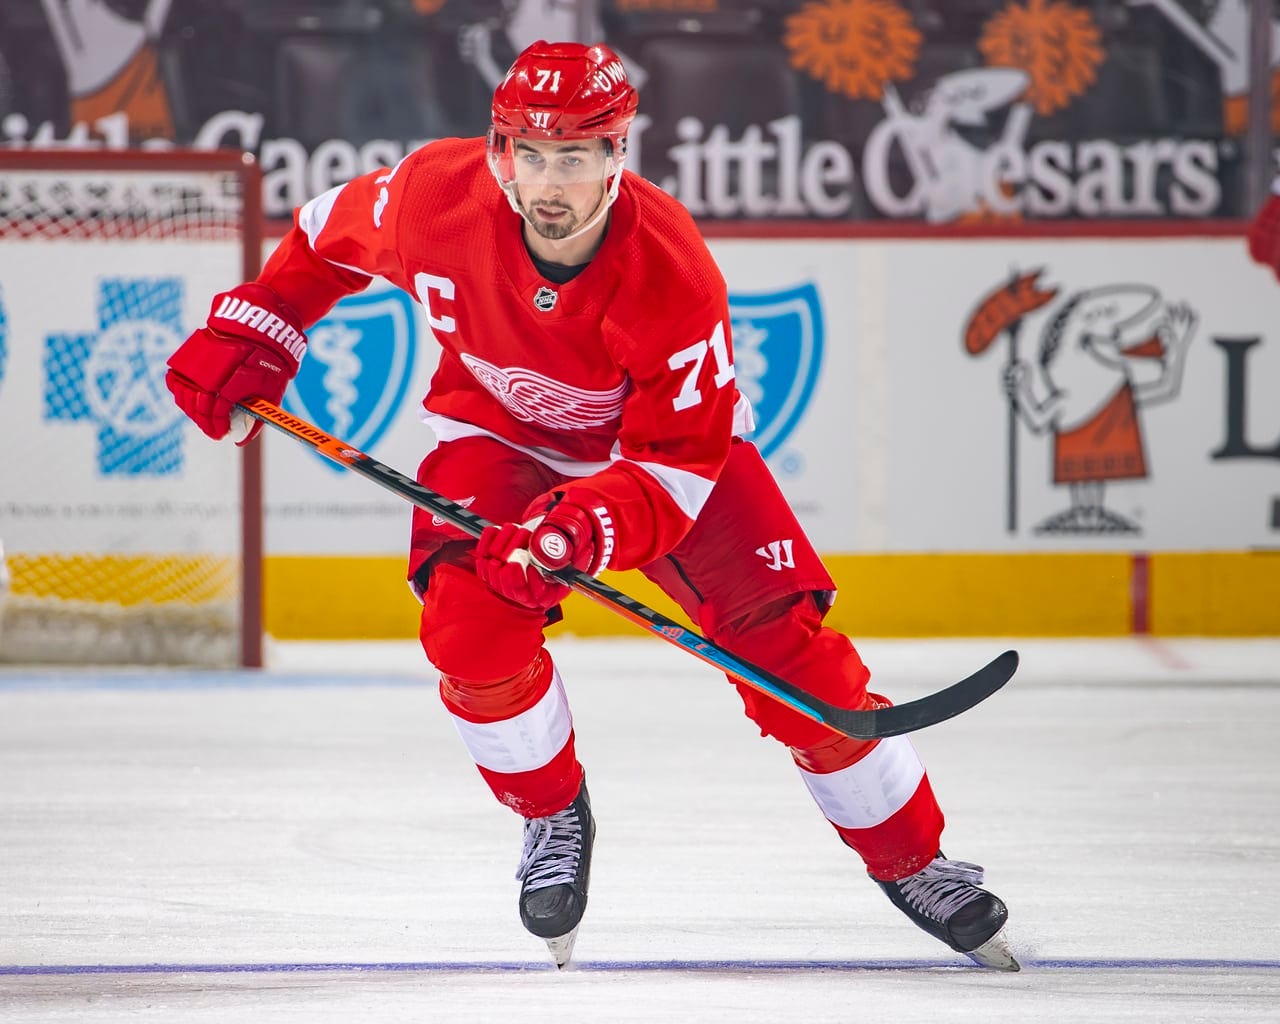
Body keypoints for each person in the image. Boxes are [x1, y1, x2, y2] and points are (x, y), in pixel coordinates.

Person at [165, 40, 1018, 971]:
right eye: (526, 153)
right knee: (468, 629)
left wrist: (583, 524)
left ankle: (915, 862)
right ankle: (551, 813)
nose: (546, 181)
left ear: (619, 156)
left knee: (795, 670)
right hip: (496, 440)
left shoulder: (672, 274)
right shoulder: (431, 198)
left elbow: (680, 466)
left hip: (656, 465)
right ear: (497, 150)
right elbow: (325, 233)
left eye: (573, 156)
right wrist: (261, 320)